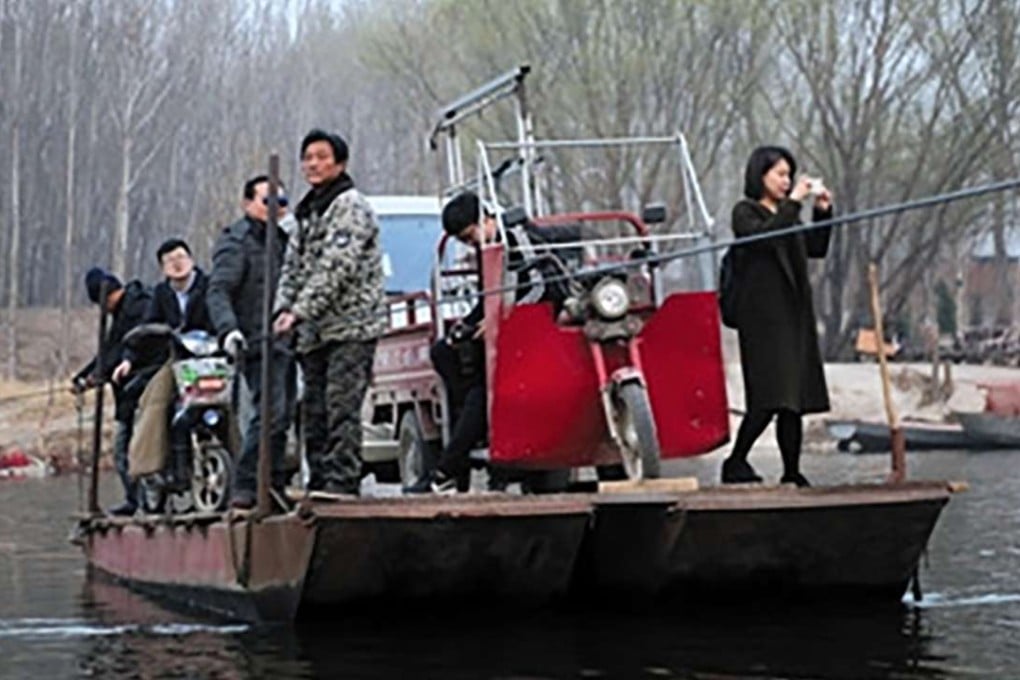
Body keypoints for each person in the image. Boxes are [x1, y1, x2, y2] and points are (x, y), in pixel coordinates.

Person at [404, 191, 580, 494]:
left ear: (484, 219)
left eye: (469, 234)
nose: (469, 243)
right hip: (508, 333)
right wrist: (466, 326)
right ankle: (472, 433)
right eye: (461, 239)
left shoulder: (516, 238)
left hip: (535, 332)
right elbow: (488, 297)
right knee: (444, 353)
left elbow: (542, 287)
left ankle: (448, 468)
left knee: (480, 394)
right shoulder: (489, 250)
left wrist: (502, 319)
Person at [273, 129, 385, 497]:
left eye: (322, 157)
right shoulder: (307, 210)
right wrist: (283, 310)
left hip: (351, 326)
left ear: (340, 163)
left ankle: (342, 481)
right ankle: (318, 480)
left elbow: (336, 266)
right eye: (307, 157)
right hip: (313, 331)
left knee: (342, 406)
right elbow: (293, 267)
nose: (313, 164)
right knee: (313, 410)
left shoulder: (350, 205)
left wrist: (299, 310)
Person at [720, 145, 833, 487]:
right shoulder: (746, 212)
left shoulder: (788, 215)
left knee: (792, 399)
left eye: (789, 175)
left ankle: (791, 472)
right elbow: (764, 238)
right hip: (763, 321)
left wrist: (823, 212)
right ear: (761, 175)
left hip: (794, 313)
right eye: (780, 174)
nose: (787, 181)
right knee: (770, 397)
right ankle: (736, 460)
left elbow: (816, 248)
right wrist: (795, 201)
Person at [207, 175, 295, 509]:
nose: (276, 209)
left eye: (282, 203)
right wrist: (229, 329)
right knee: (269, 412)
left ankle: (273, 482)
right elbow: (218, 290)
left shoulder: (285, 242)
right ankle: (245, 484)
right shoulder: (236, 241)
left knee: (283, 416)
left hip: (285, 342)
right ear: (248, 205)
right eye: (268, 202)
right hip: (255, 342)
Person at [111, 238, 217, 489]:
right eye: (170, 261)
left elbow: (222, 312)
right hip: (177, 360)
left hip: (212, 358)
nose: (177, 264)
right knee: (158, 402)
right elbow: (146, 328)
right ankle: (162, 467)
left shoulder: (209, 286)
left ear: (191, 260)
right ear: (163, 268)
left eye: (181, 257)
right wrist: (128, 359)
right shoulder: (161, 294)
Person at [71, 268, 161, 515]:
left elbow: (118, 352)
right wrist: (85, 376)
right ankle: (140, 501)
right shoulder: (131, 306)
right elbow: (109, 352)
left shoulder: (134, 310)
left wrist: (93, 377)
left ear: (105, 298)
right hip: (136, 389)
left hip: (141, 389)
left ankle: (139, 501)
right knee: (130, 447)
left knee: (124, 448)